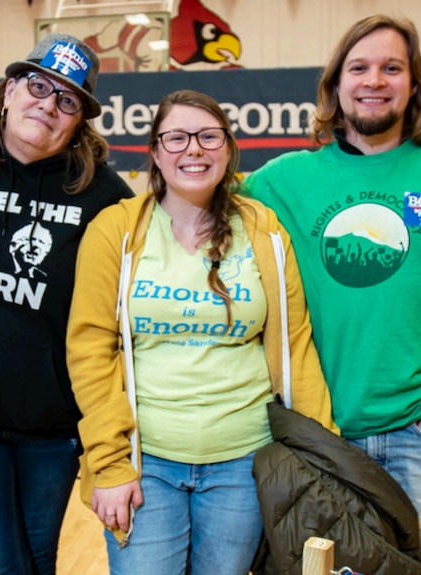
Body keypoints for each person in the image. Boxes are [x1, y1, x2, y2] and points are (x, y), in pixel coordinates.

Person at [245, 14, 421, 575]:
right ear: (335, 85)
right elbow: (194, 207)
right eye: (359, 67)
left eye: (391, 67)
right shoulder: (281, 180)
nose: (375, 80)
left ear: (414, 84)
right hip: (322, 436)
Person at [67, 89, 336, 574]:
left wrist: (323, 454)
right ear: (154, 152)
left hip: (243, 462)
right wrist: (108, 463)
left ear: (229, 149)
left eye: (209, 136)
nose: (194, 149)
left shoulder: (264, 230)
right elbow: (89, 350)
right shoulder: (116, 230)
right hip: (146, 461)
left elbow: (295, 345)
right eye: (177, 137)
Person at [0, 33, 134, 574]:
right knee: (0, 567)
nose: (48, 104)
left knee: (38, 561)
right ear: (10, 89)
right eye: (39, 85)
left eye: (68, 101)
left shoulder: (104, 194)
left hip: (53, 425)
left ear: (78, 121)